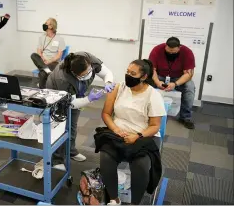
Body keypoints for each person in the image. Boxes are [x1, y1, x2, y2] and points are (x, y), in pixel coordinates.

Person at [98, 59, 166, 205]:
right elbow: (106, 114)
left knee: (140, 166)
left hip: (144, 136)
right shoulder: (118, 88)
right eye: (127, 71)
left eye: (133, 73)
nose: (128, 75)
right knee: (105, 158)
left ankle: (135, 203)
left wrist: (137, 136)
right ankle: (114, 199)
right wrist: (115, 129)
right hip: (118, 134)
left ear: (143, 77)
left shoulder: (153, 95)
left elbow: (155, 126)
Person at [40, 52, 115, 171]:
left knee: (72, 124)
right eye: (85, 74)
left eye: (90, 70)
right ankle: (56, 159)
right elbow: (71, 104)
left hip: (76, 93)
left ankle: (71, 150)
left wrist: (108, 83)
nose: (89, 74)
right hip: (56, 94)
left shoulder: (87, 58)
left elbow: (107, 73)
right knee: (60, 126)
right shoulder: (63, 78)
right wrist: (89, 99)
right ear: (75, 74)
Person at [149, 37, 195, 129]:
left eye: (173, 52)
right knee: (145, 82)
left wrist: (175, 84)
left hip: (178, 78)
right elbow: (152, 69)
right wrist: (157, 82)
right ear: (165, 46)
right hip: (160, 76)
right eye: (168, 51)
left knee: (190, 87)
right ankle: (147, 112)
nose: (170, 53)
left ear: (179, 48)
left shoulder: (187, 52)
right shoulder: (157, 50)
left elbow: (189, 74)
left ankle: (185, 118)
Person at [31, 18, 65, 89]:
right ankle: (46, 70)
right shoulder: (42, 37)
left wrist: (49, 61)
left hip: (53, 63)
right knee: (33, 55)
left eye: (46, 23)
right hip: (42, 61)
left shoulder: (60, 39)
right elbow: (39, 50)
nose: (44, 25)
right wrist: (42, 58)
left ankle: (42, 89)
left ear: (51, 26)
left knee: (42, 73)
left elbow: (59, 55)